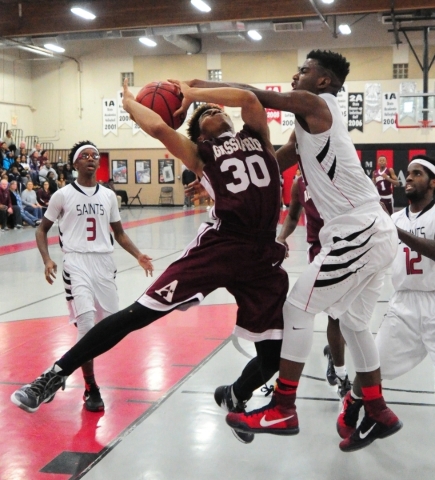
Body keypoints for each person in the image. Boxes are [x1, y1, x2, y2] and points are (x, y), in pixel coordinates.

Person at [11, 81, 288, 444]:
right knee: (137, 314)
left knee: (273, 357)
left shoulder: (258, 136)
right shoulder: (200, 153)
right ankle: (53, 376)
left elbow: (250, 99)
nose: (214, 111)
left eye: (217, 109)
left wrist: (196, 92)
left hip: (263, 253)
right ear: (197, 131)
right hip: (222, 246)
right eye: (205, 114)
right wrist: (128, 102)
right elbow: (158, 128)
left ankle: (234, 394)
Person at [192, 50, 402, 452]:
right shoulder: (311, 123)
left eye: (303, 70)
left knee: (298, 308)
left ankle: (283, 405)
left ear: (323, 81)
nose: (295, 75)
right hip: (372, 231)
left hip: (358, 229)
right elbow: (276, 160)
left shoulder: (316, 103)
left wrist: (199, 89)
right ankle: (377, 409)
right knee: (356, 325)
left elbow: (255, 98)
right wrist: (220, 174)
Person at [13, 140, 154, 412]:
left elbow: (120, 233)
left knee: (110, 329)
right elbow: (41, 230)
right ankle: (87, 385)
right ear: (75, 163)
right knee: (86, 324)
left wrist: (138, 255)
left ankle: (65, 373)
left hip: (104, 263)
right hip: (76, 262)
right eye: (85, 155)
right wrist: (47, 260)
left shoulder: (109, 196)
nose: (92, 159)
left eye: (95, 156)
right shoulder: (62, 195)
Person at [337, 154, 435, 444]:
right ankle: (356, 406)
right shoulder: (394, 218)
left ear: (433, 182)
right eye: (410, 173)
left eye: (418, 173)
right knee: (372, 367)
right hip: (402, 304)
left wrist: (398, 233)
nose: (410, 178)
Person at [277, 174, 350, 398]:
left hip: (348, 248)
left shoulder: (339, 173)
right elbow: (292, 216)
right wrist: (280, 238)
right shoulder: (299, 183)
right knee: (328, 314)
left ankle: (337, 362)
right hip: (320, 251)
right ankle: (341, 373)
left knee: (344, 317)